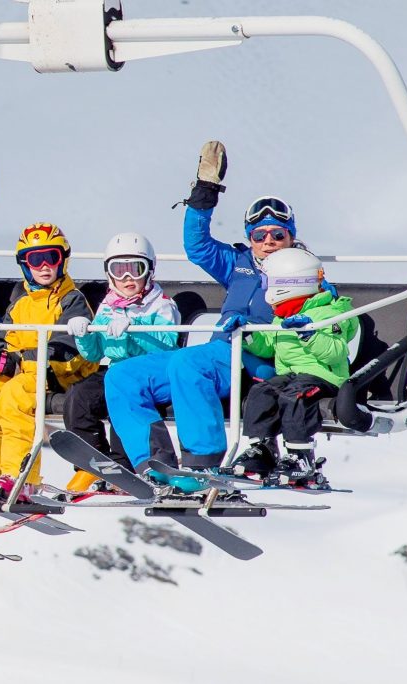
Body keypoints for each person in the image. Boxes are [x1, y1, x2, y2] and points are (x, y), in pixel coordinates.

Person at [104, 140, 299, 489]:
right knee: (123, 376)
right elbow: (198, 246)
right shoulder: (239, 264)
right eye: (259, 234)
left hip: (256, 357)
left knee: (188, 364)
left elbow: (318, 312)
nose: (268, 241)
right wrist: (205, 192)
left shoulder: (302, 271)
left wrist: (263, 330)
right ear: (249, 238)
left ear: (291, 237)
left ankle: (203, 468)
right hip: (220, 355)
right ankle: (156, 465)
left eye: (277, 234)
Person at [0, 223, 98, 502]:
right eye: (35, 259)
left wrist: (18, 362)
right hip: (26, 370)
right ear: (24, 264)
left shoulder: (72, 300)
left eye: (51, 257)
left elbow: (64, 349)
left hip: (58, 373)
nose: (44, 266)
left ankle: (20, 476)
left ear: (63, 259)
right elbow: (4, 339)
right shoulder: (20, 302)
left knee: (13, 396)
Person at [62, 232, 181, 492]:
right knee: (79, 396)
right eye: (119, 270)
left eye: (136, 270)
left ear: (149, 271)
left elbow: (166, 344)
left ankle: (123, 464)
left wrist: (135, 328)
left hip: (147, 376)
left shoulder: (161, 305)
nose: (128, 279)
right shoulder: (109, 306)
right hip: (115, 370)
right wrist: (84, 334)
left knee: (123, 403)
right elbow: (94, 355)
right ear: (109, 273)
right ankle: (93, 463)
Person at [233, 247, 357, 485]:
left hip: (324, 378)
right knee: (261, 391)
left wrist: (308, 334)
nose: (264, 288)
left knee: (297, 396)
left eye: (267, 282)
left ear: (287, 283)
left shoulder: (329, 313)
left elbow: (336, 353)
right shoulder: (282, 316)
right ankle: (263, 448)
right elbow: (268, 346)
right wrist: (248, 335)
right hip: (291, 376)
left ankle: (301, 456)